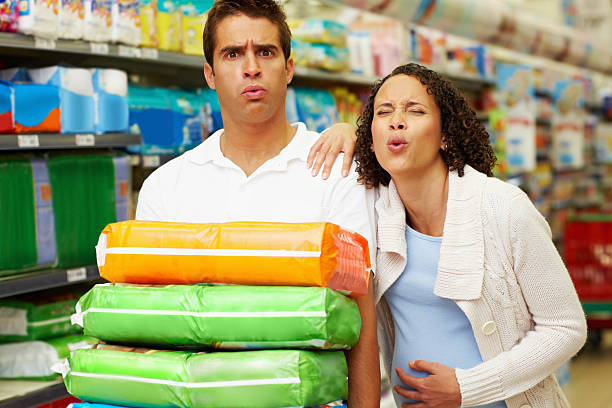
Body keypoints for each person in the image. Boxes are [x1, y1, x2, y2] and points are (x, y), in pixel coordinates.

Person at [135, 0, 380, 406]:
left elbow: (360, 314)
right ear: (210, 75)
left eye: (265, 52)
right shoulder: (166, 186)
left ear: (288, 67)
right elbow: (152, 323)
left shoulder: (337, 171)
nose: (251, 67)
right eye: (233, 54)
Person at [312, 63, 587, 408]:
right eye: (384, 112)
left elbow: (566, 327)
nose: (397, 120)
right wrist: (342, 129)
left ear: (445, 135)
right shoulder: (374, 213)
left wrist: (468, 387)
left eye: (415, 111)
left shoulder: (504, 209)